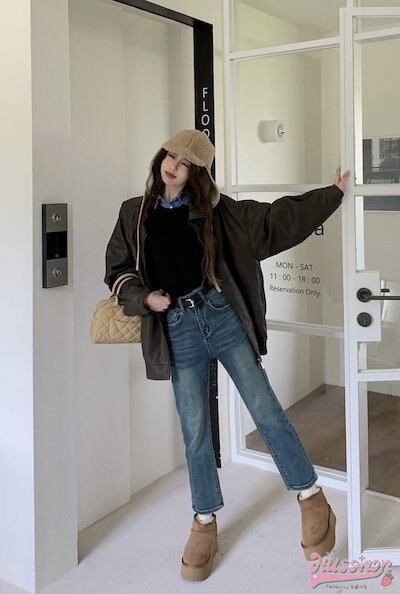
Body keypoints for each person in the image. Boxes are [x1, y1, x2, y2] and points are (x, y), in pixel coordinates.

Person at [104, 128, 350, 581]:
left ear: (197, 172)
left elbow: (275, 220)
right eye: (170, 155)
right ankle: (204, 520)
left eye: (185, 161)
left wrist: (330, 195)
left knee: (265, 409)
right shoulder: (132, 213)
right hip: (177, 326)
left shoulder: (219, 212)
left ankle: (311, 496)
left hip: (220, 316)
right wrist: (144, 299)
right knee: (195, 427)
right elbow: (117, 269)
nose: (173, 164)